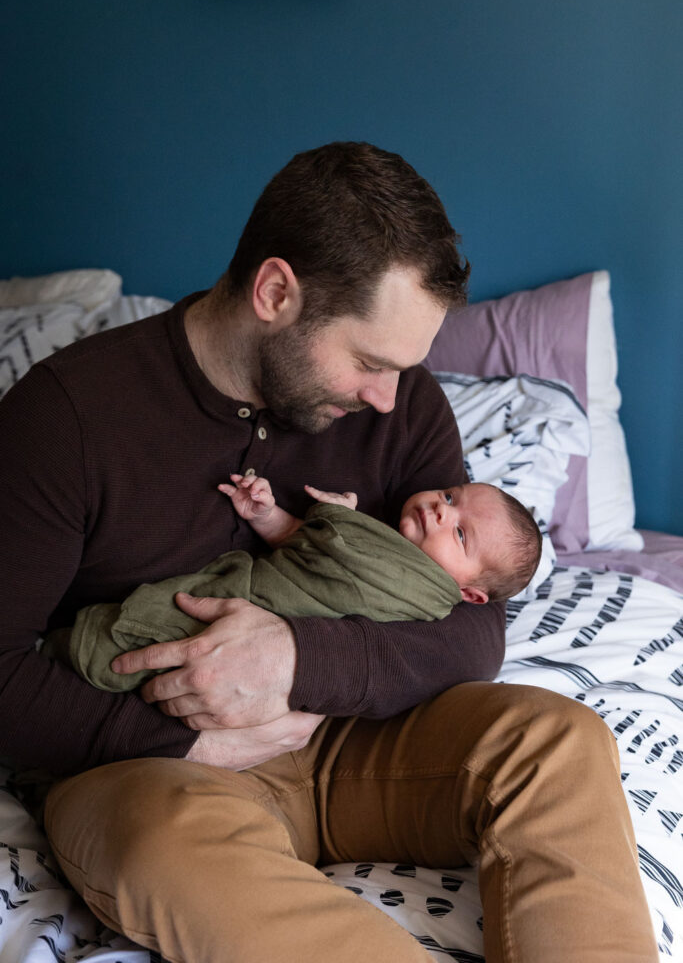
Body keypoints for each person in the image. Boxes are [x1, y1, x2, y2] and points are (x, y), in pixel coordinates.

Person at [0, 141, 656, 963]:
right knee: (157, 845)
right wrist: (191, 742)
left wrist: (295, 660)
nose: (388, 397)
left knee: (555, 740)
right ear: (276, 292)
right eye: (369, 362)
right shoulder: (65, 420)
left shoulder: (403, 402)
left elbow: (470, 629)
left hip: (349, 740)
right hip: (154, 762)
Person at [42, 473, 543, 692]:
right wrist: (268, 515)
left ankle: (55, 659)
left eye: (459, 532)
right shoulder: (376, 547)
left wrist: (339, 517)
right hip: (255, 601)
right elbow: (309, 554)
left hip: (248, 623)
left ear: (468, 594)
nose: (440, 508)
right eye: (452, 495)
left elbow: (335, 553)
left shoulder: (415, 590)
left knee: (123, 642)